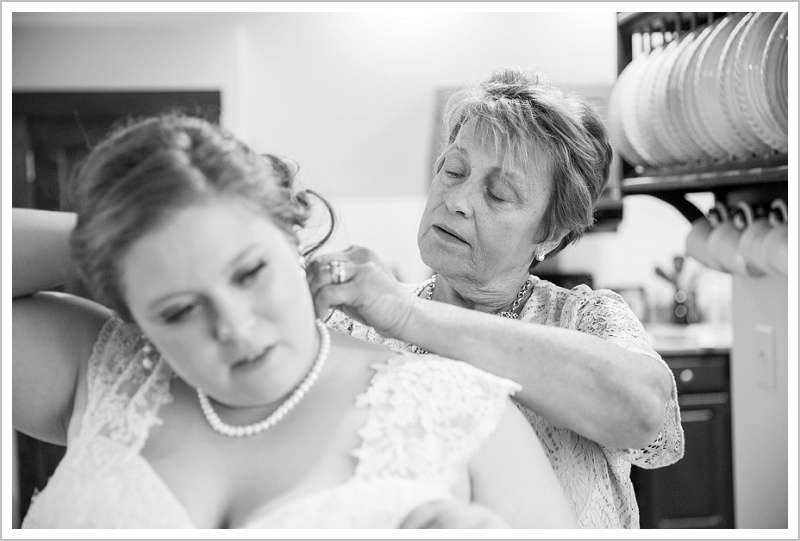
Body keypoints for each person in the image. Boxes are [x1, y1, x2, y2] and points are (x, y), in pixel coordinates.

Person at [11, 113, 578, 530]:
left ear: (290, 232)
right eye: (178, 309)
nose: (233, 326)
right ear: (134, 313)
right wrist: (123, 236)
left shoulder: (464, 415)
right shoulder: (101, 372)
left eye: (249, 271)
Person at [306, 67, 685, 529]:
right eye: (454, 170)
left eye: (499, 194)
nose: (458, 200)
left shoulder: (585, 319)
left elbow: (643, 413)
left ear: (550, 232)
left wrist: (409, 316)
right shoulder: (355, 323)